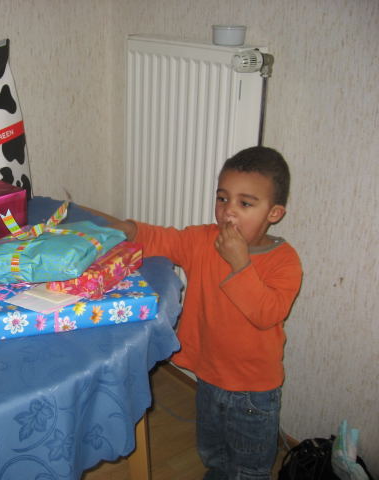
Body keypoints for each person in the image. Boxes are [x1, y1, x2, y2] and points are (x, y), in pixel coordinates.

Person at [109, 146, 303, 479]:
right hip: (209, 376)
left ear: (274, 213)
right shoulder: (204, 240)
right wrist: (126, 228)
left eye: (245, 203)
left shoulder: (285, 262)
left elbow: (266, 313)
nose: (229, 212)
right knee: (213, 454)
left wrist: (240, 263)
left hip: (253, 393)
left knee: (249, 468)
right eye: (222, 198)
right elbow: (164, 239)